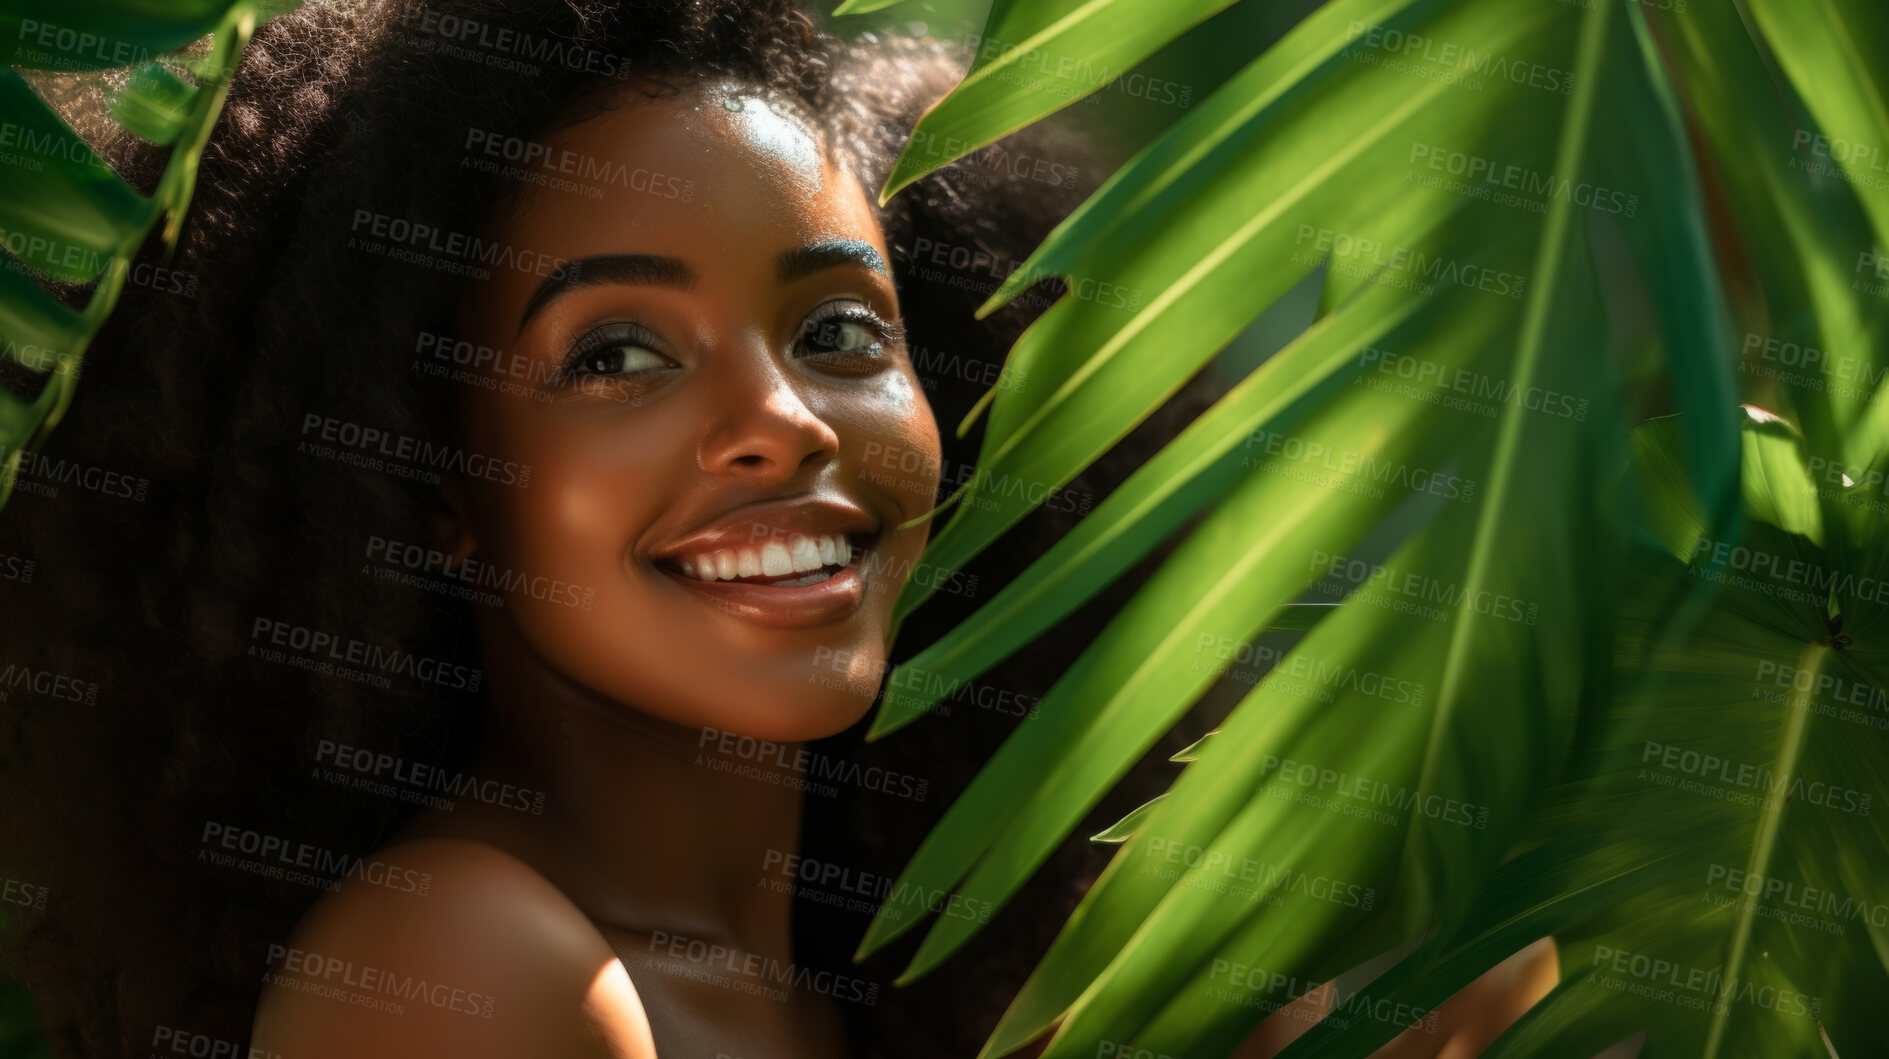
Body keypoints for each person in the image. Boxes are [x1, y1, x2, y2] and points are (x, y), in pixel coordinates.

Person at [0, 0, 1555, 1055]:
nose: (788, 419)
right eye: (617, 354)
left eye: (837, 335)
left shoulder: (848, 985)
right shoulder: (467, 970)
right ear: (440, 494)